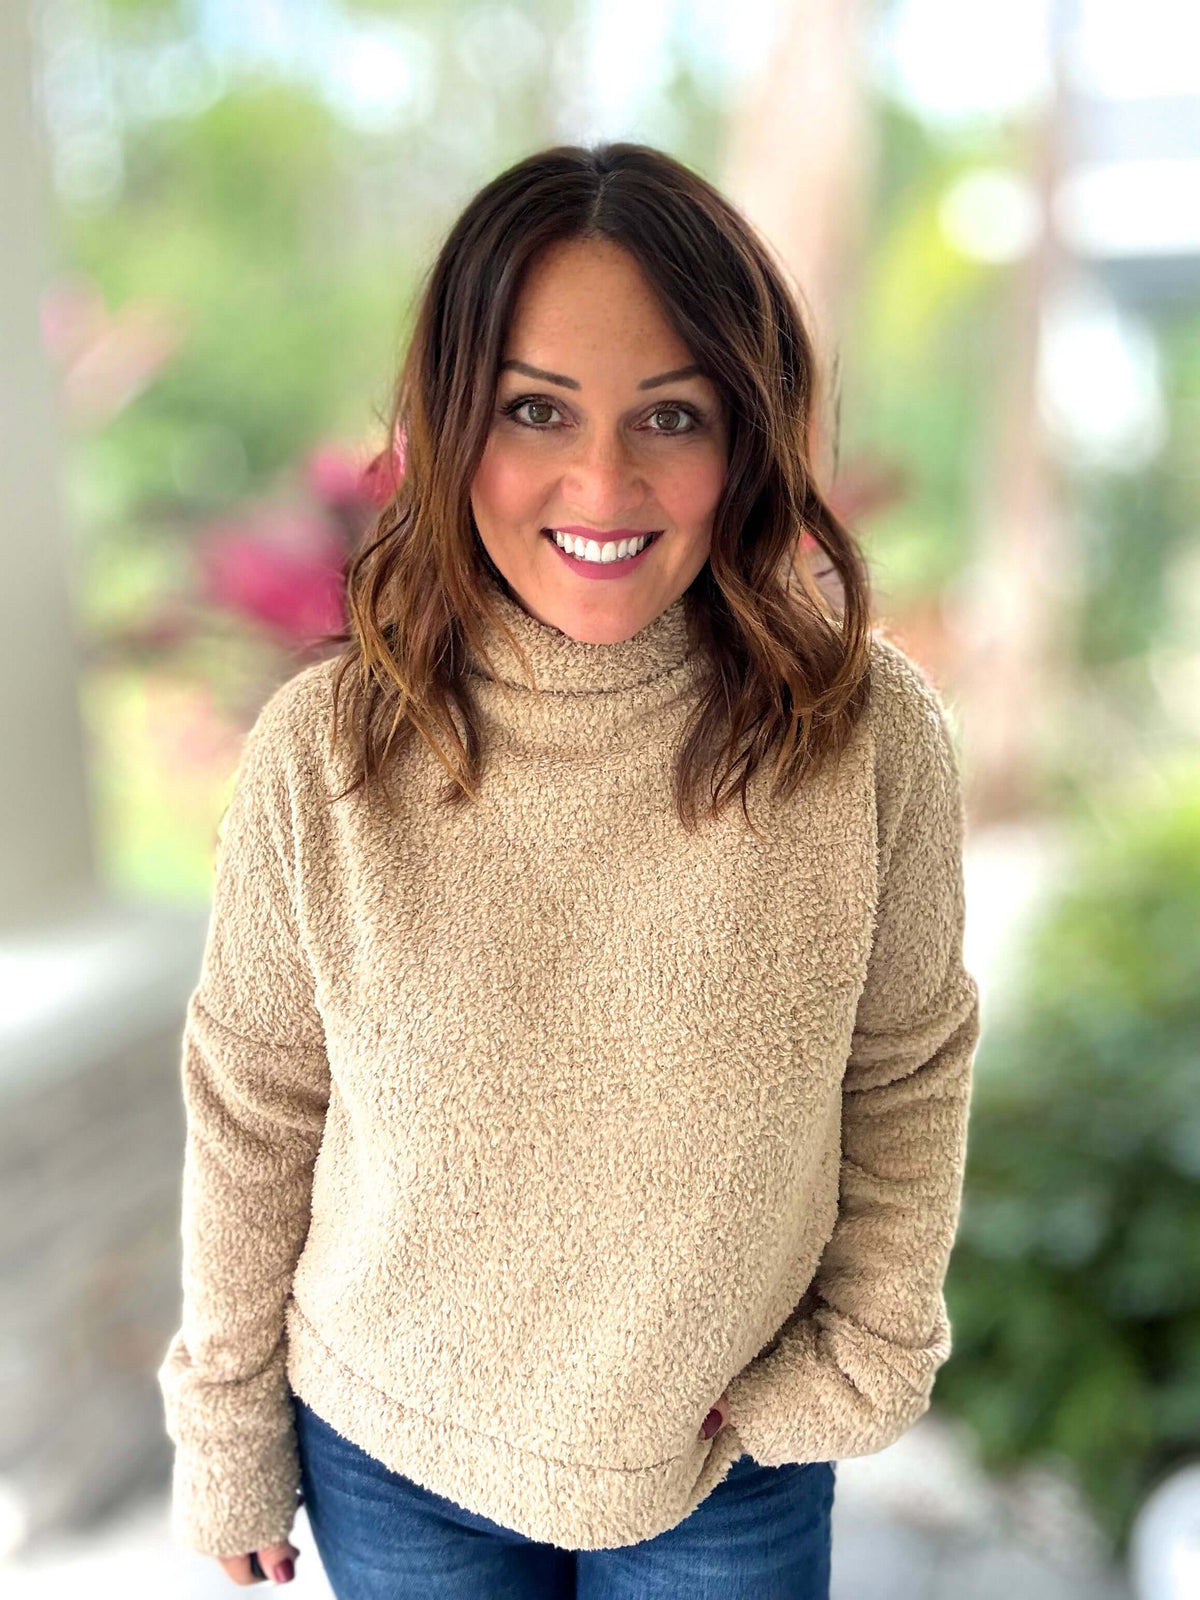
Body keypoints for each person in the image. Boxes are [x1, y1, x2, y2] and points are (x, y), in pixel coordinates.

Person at [156, 141, 981, 1598]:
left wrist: (863, 1354)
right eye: (538, 409)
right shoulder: (326, 753)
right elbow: (255, 1107)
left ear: (748, 436)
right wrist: (224, 1421)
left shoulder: (865, 739)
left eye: (671, 415)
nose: (603, 480)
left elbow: (908, 1064)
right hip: (392, 1447)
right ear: (453, 416)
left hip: (728, 1458)